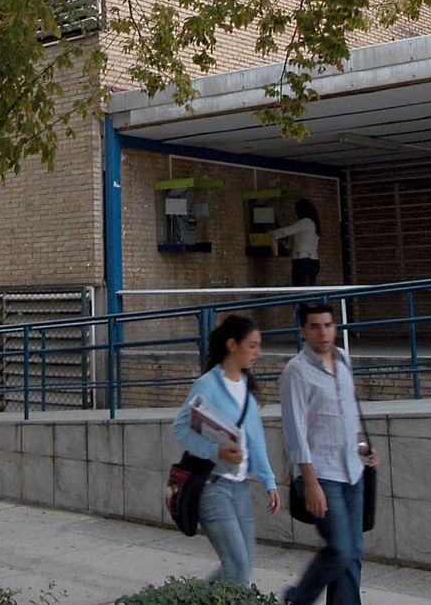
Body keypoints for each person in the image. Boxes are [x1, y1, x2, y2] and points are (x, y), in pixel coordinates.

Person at [280, 303, 379, 605]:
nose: (323, 333)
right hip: (322, 475)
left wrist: (362, 447)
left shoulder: (344, 360)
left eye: (328, 325)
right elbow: (295, 432)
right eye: (314, 326)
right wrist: (310, 483)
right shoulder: (296, 372)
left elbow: (348, 417)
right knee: (340, 549)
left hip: (353, 470)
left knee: (353, 553)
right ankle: (298, 598)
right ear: (303, 331)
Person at [171, 314, 281, 587]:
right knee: (237, 566)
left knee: (241, 569)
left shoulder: (246, 387)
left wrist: (269, 481)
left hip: (240, 488)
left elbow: (255, 439)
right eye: (252, 345)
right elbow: (180, 429)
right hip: (212, 487)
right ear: (233, 345)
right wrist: (215, 450)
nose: (258, 352)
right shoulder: (207, 384)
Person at [273, 199, 321, 287]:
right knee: (308, 291)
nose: (295, 213)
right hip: (311, 260)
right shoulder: (312, 224)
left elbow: (285, 231)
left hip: (303, 261)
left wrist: (269, 234)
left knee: (301, 290)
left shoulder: (305, 222)